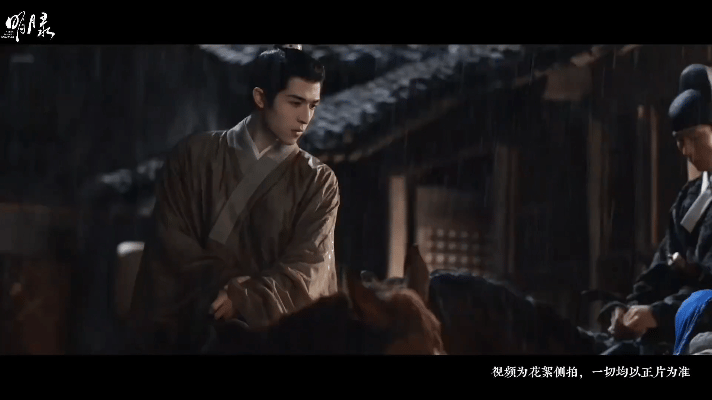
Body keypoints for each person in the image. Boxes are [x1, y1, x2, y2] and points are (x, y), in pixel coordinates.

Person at [125, 44, 340, 354]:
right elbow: (171, 247)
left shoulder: (318, 181)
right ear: (261, 97)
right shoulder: (193, 157)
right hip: (191, 335)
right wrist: (221, 290)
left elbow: (310, 269)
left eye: (313, 105)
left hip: (274, 342)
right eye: (295, 102)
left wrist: (247, 296)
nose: (306, 118)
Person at [594, 65, 712, 355]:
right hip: (677, 325)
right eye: (680, 141)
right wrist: (630, 307)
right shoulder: (690, 199)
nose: (686, 150)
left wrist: (659, 314)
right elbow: (662, 266)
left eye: (695, 138)